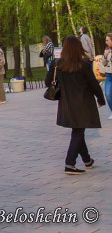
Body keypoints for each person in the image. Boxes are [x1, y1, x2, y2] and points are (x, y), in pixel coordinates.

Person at [46, 35, 105, 174]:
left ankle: (87, 160)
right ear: (78, 48)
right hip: (83, 103)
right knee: (78, 131)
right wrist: (101, 99)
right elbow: (94, 84)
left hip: (66, 103)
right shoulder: (83, 65)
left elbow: (48, 82)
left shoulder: (57, 64)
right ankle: (69, 163)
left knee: (78, 130)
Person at [103, 36, 112, 121]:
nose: (106, 42)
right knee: (108, 94)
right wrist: (105, 56)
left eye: (107, 40)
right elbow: (103, 63)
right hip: (109, 75)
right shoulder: (106, 50)